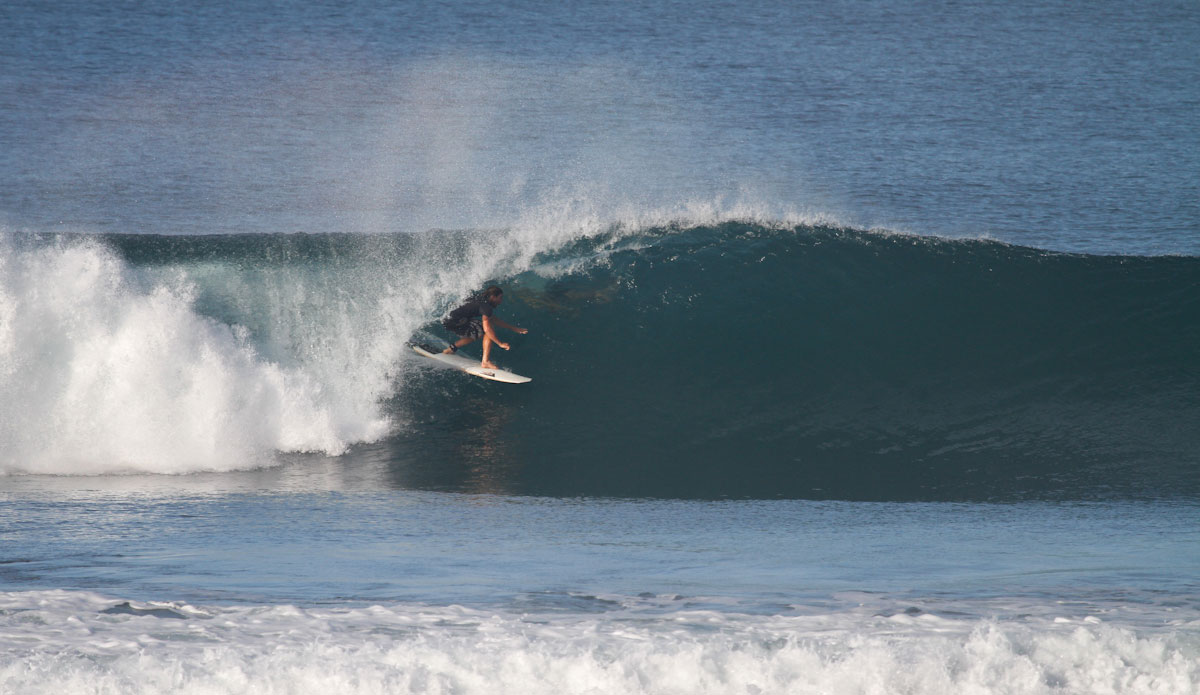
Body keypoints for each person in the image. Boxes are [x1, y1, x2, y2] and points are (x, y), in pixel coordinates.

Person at [442, 286, 528, 369]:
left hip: (448, 319)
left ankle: (451, 349)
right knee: (486, 330)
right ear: (493, 297)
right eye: (500, 298)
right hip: (455, 322)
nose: (500, 301)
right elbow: (487, 328)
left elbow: (493, 319)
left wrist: (514, 328)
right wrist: (500, 343)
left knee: (479, 331)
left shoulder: (480, 298)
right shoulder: (486, 307)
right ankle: (485, 361)